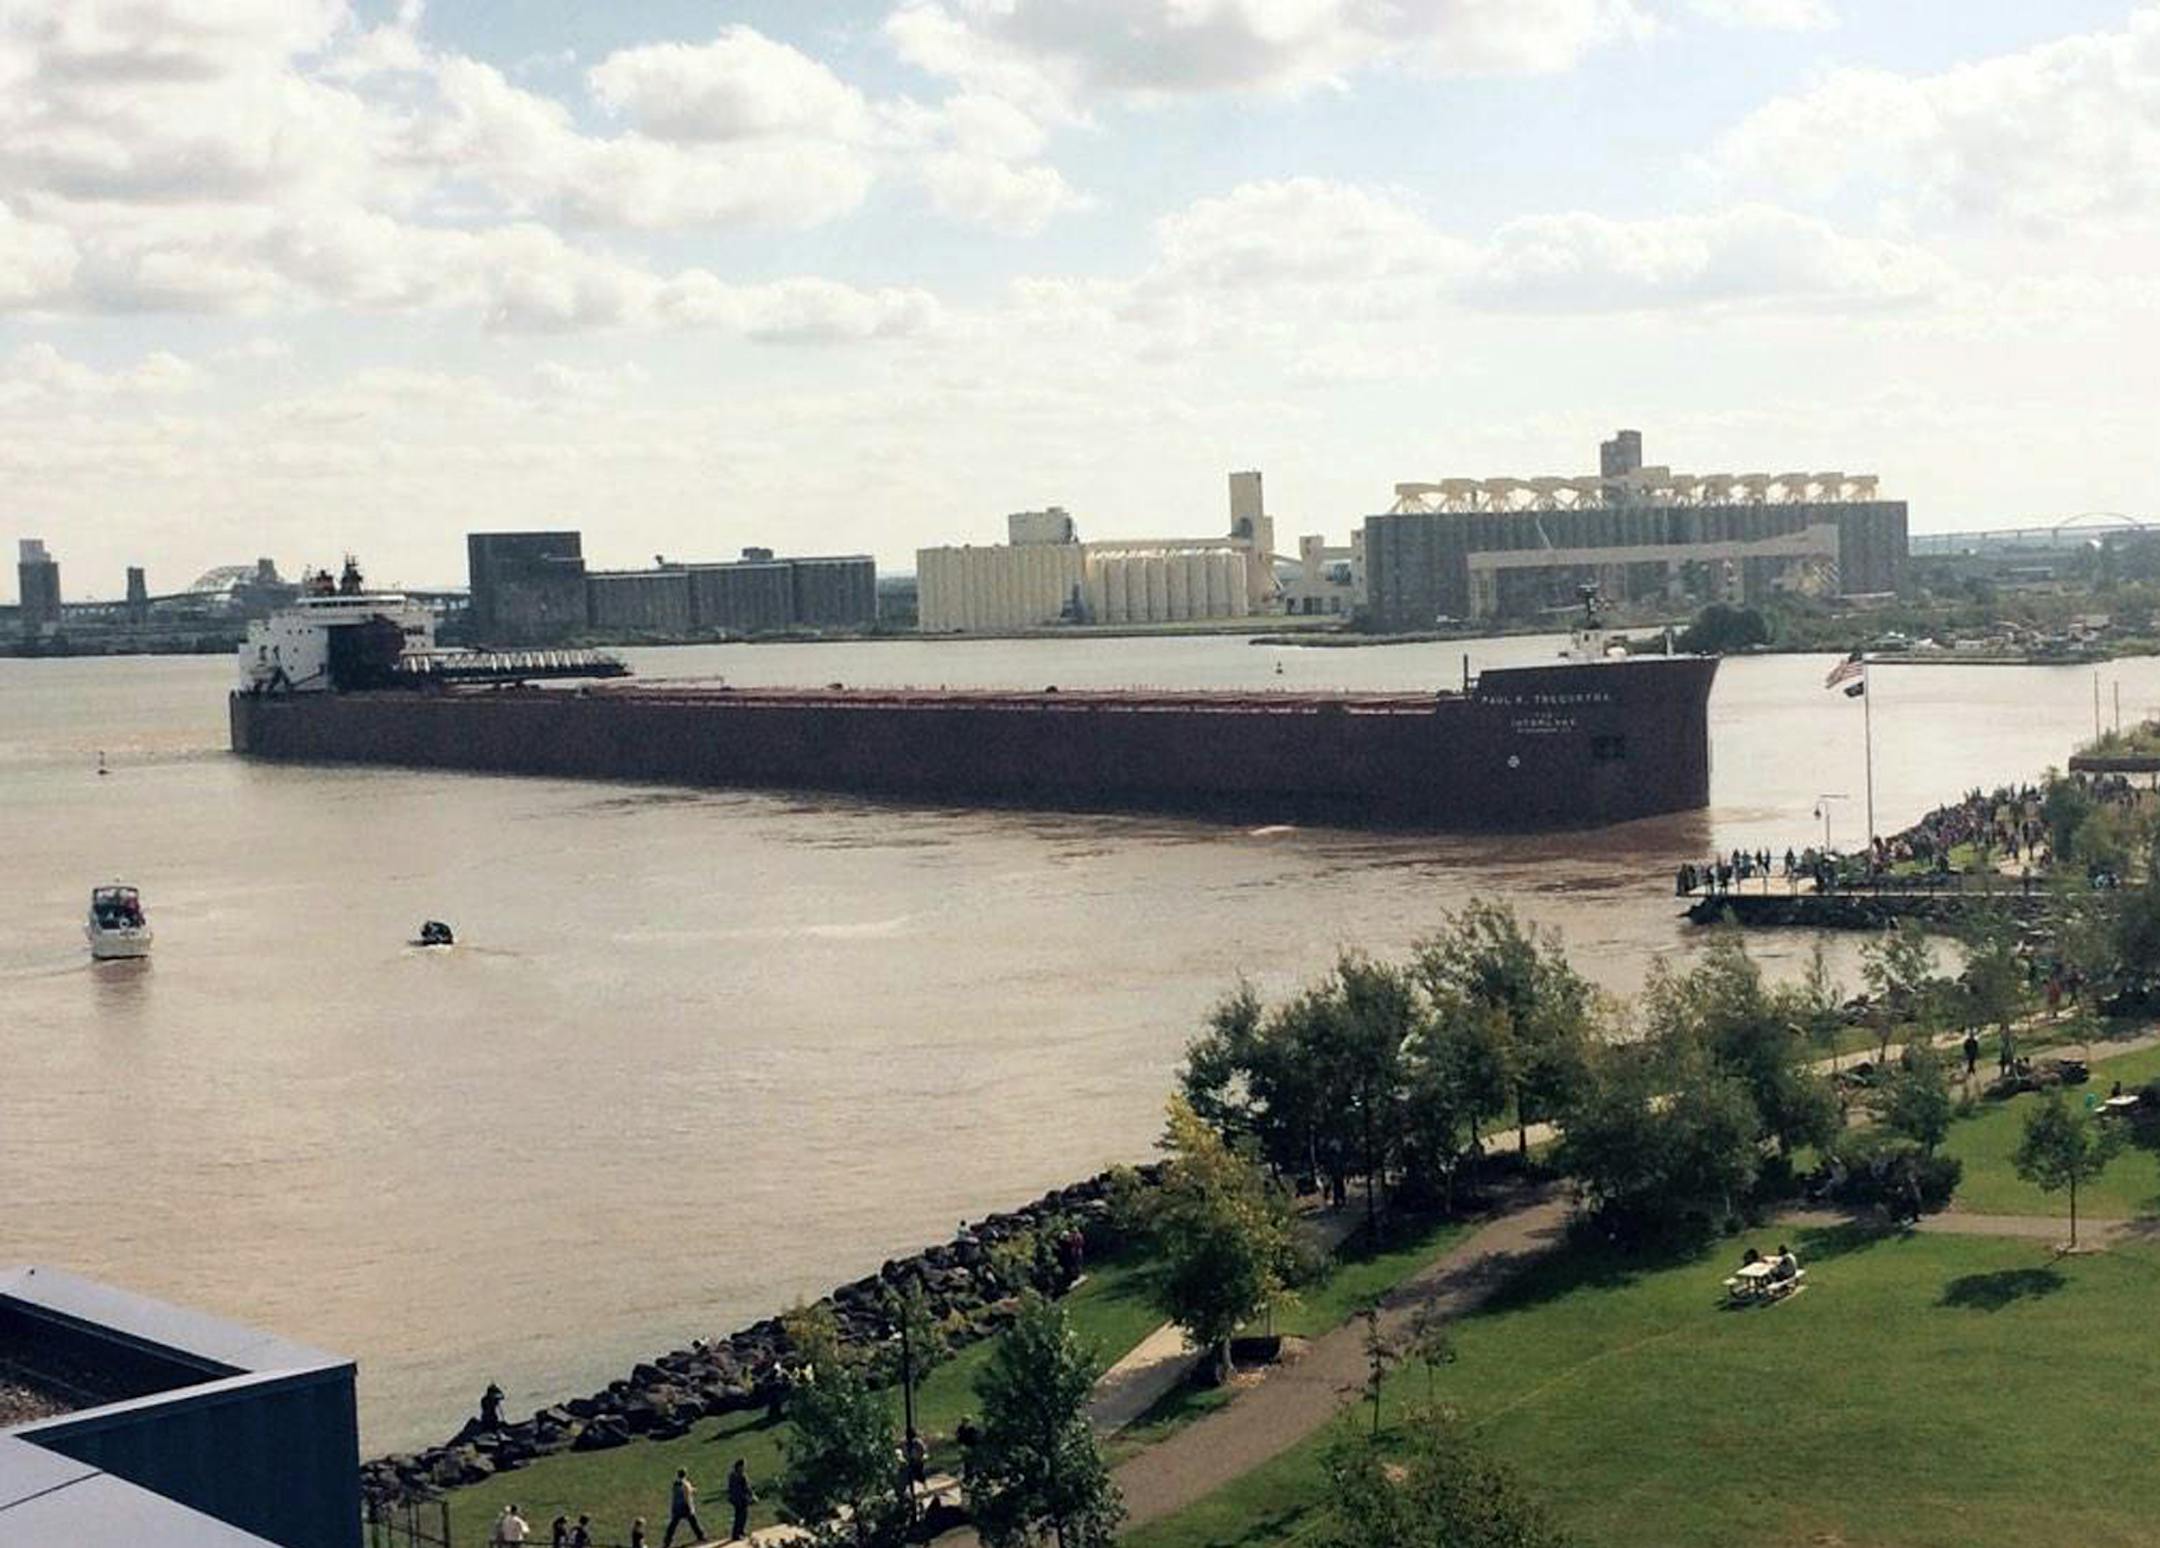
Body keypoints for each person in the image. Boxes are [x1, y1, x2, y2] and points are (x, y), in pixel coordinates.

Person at [663, 1469, 705, 1548]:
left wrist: (691, 1489)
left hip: (676, 1507)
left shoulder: (675, 1484)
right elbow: (687, 1495)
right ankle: (700, 1536)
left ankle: (667, 1541)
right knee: (694, 1523)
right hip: (685, 1507)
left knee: (673, 1525)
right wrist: (690, 1507)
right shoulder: (685, 1484)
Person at [727, 1458, 755, 1542]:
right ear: (740, 1466)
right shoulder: (742, 1476)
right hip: (741, 1499)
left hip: (735, 1499)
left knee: (739, 1516)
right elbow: (747, 1488)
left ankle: (740, 1532)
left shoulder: (732, 1475)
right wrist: (752, 1496)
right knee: (741, 1517)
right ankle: (737, 1534)